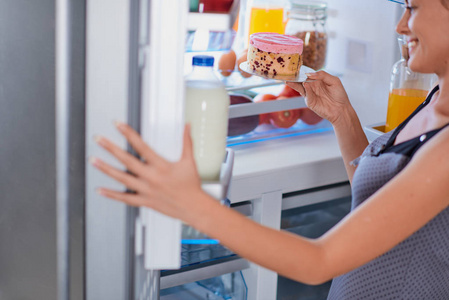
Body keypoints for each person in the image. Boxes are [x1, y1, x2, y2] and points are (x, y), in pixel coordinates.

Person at [90, 0, 449, 298]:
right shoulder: (434, 99)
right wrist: (342, 116)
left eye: (412, 8)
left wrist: (193, 205)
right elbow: (378, 204)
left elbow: (318, 261)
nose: (401, 25)